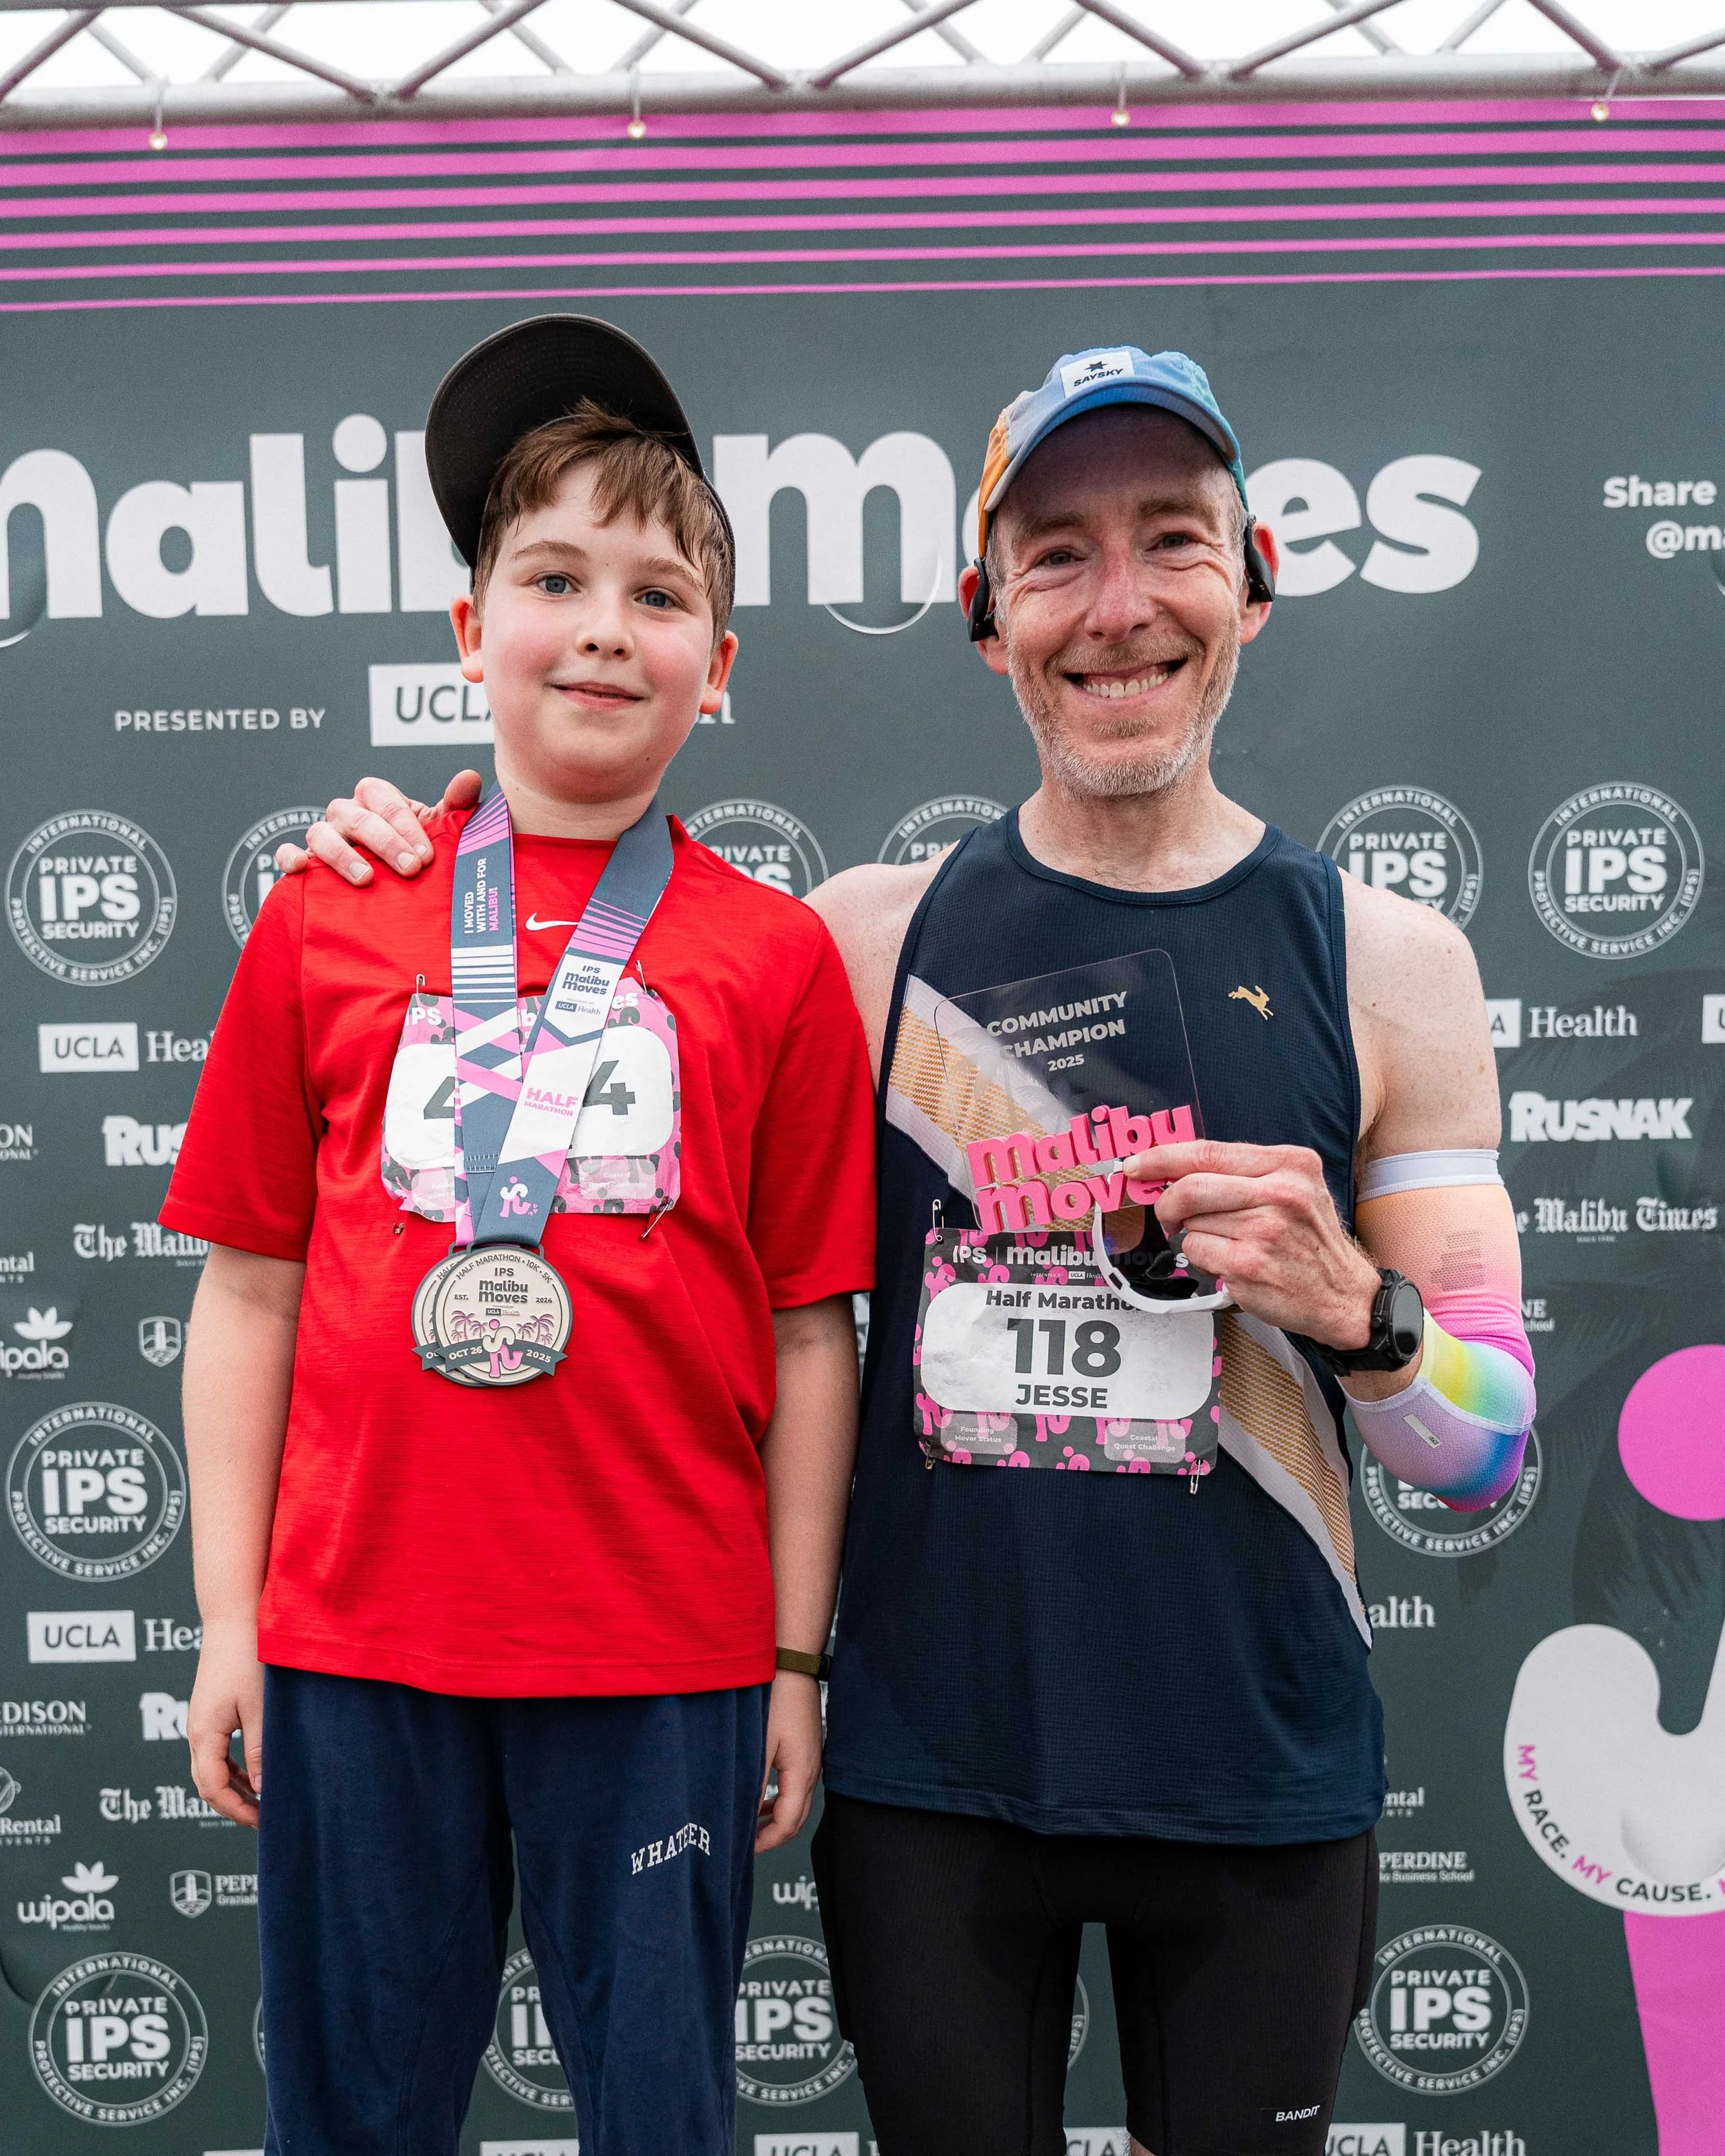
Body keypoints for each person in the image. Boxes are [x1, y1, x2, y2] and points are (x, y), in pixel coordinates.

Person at [288, 344, 1535, 2156]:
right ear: (986, 619)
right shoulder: (852, 943)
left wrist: (1355, 1310)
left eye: (1170, 540)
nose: (1117, 605)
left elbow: (1484, 1446)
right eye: (1054, 555)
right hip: (934, 1787)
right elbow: (576, 919)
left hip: (1262, 1789)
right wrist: (407, 833)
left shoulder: (1388, 958)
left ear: (1250, 581)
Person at [164, 316, 876, 2156]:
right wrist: (232, 1617)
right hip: (357, 1641)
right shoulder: (331, 908)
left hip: (659, 1656)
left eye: (656, 594)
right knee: (354, 2114)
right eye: (551, 577)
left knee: (660, 2115)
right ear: (473, 633)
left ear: (715, 668)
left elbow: (812, 1334)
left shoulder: (775, 958)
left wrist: (791, 1659)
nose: (601, 627)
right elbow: (246, 1288)